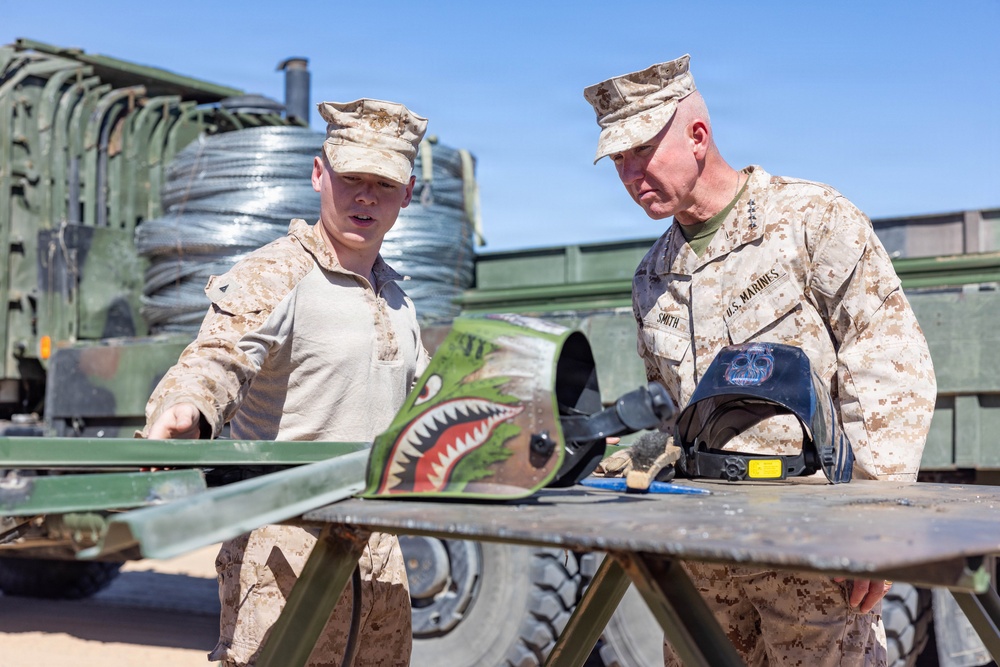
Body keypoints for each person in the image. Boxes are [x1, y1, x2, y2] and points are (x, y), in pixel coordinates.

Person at [583, 55, 937, 666]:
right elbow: (673, 418)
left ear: (698, 136)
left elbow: (888, 362)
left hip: (808, 547)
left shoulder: (810, 220)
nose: (631, 173)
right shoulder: (651, 275)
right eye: (618, 160)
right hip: (704, 560)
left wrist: (873, 528)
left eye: (642, 150)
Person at [142, 98, 430, 667]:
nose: (365, 197)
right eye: (351, 178)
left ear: (409, 193)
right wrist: (186, 406)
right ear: (320, 173)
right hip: (286, 548)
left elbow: (427, 405)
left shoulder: (398, 298)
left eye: (383, 183)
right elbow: (216, 358)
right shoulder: (277, 273)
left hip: (380, 547)